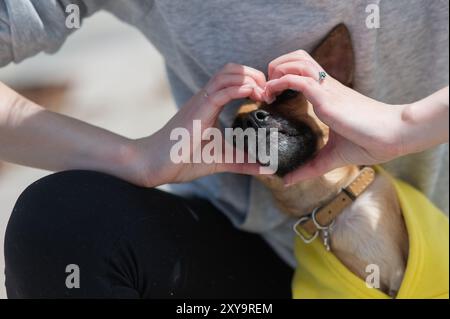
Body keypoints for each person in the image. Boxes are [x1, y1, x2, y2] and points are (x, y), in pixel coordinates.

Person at [0, 1, 448, 298]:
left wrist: (409, 125)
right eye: (244, 118)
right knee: (65, 223)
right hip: (258, 276)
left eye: (286, 97)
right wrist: (132, 158)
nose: (254, 116)